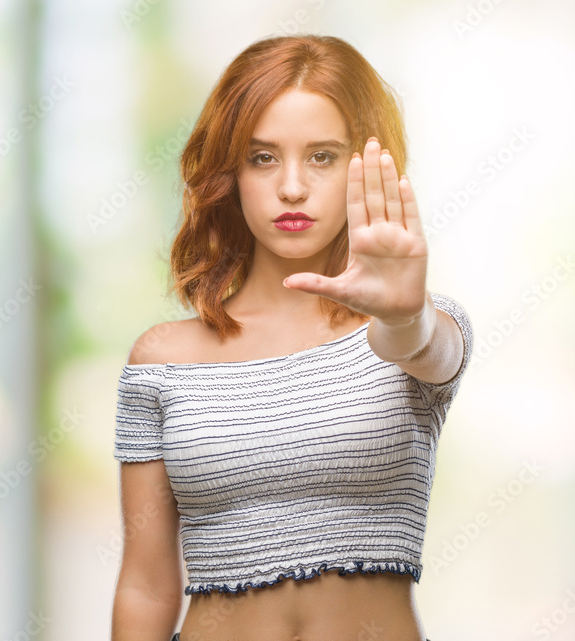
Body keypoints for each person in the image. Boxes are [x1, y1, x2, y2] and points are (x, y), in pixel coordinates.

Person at [110, 34, 472, 641]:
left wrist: (405, 317)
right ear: (230, 172)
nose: (293, 187)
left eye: (323, 156)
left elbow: (428, 348)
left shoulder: (415, 329)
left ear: (368, 163)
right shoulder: (161, 361)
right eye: (263, 157)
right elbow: (145, 585)